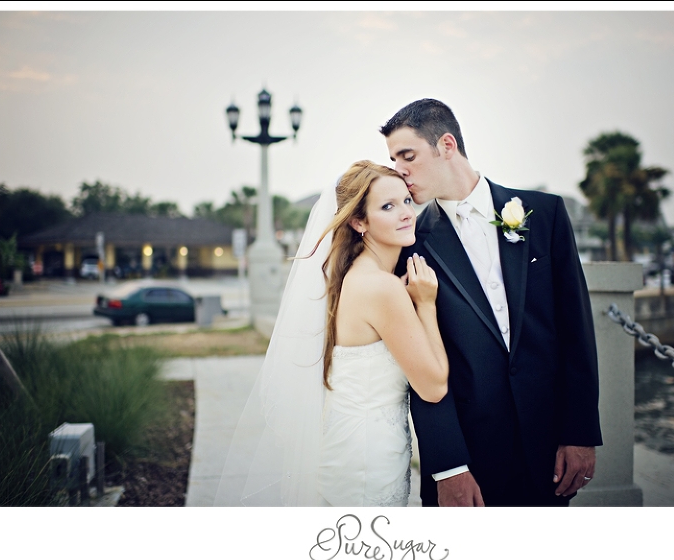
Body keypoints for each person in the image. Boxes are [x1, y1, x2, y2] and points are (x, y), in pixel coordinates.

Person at [381, 98, 602, 507]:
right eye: (394, 160)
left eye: (407, 156)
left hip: (548, 449)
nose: (399, 171)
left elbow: (576, 332)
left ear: (447, 145)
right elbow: (419, 365)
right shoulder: (410, 244)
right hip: (469, 458)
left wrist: (580, 433)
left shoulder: (545, 213)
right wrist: (448, 467)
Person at [214, 160, 448, 506]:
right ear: (358, 222)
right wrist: (426, 303)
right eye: (388, 206)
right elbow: (433, 386)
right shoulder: (381, 288)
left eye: (406, 202)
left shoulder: (349, 278)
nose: (405, 214)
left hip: (347, 446)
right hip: (368, 459)